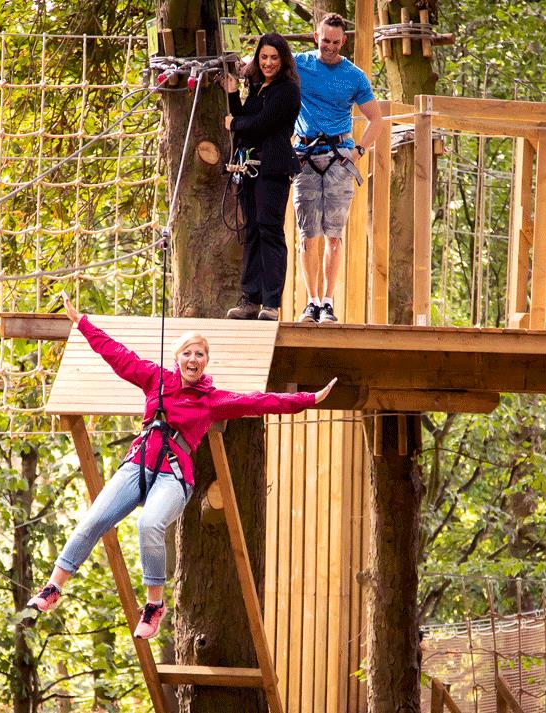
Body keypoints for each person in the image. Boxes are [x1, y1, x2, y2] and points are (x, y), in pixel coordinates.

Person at [27, 295, 336, 639]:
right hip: (137, 465)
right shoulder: (154, 379)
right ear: (177, 359)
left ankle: (154, 605)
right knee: (94, 519)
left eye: (199, 354)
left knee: (149, 524)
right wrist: (81, 322)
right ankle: (54, 587)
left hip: (173, 476)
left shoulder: (211, 400)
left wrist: (309, 399)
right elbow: (116, 355)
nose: (193, 359)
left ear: (205, 362)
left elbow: (260, 401)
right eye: (187, 353)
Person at [293, 13, 384, 324]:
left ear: (343, 41)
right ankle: (312, 300)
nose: (329, 47)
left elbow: (377, 119)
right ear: (316, 36)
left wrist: (357, 152)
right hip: (305, 154)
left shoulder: (354, 75)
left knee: (333, 234)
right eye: (325, 40)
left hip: (338, 157)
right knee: (308, 234)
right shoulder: (299, 64)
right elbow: (266, 65)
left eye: (335, 42)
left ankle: (328, 302)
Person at [222, 34, 302, 322]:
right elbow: (244, 118)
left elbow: (262, 124)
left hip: (273, 168)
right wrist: (232, 93)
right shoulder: (258, 88)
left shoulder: (287, 90)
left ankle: (270, 302)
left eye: (273, 58)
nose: (268, 63)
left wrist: (236, 124)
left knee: (269, 229)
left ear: (283, 61)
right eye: (263, 57)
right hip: (251, 167)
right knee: (252, 230)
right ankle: (250, 298)